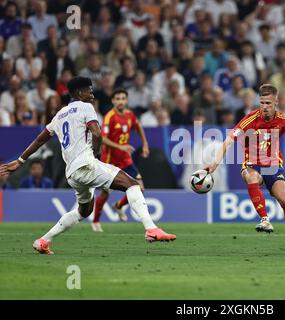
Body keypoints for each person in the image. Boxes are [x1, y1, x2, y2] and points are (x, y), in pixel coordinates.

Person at [0, 77, 175, 255]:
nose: (91, 94)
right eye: (88, 90)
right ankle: (151, 228)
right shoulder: (85, 107)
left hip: (72, 173)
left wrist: (20, 161)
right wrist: (97, 153)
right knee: (132, 184)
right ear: (77, 93)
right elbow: (97, 133)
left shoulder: (60, 115)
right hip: (86, 165)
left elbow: (40, 139)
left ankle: (43, 240)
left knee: (84, 211)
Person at [205, 84, 285, 252]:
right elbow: (229, 140)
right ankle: (264, 219)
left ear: (276, 102)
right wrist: (215, 162)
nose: (264, 107)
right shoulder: (250, 119)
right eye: (262, 103)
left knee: (283, 197)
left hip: (273, 166)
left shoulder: (283, 120)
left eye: (268, 103)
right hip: (252, 164)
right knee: (252, 177)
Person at [92, 89, 150, 232]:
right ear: (113, 101)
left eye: (123, 98)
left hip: (125, 160)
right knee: (105, 193)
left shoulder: (130, 115)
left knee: (140, 188)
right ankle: (96, 221)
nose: (120, 101)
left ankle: (118, 206)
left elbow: (139, 127)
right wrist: (121, 147)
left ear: (127, 101)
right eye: (117, 98)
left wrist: (145, 144)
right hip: (110, 161)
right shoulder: (109, 117)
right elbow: (103, 138)